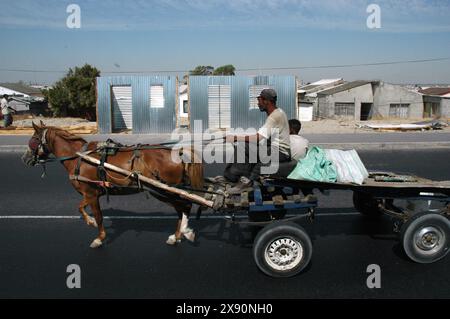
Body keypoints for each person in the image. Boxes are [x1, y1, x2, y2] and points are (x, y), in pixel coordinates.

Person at [222, 88, 291, 194]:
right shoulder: (279, 112)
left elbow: (258, 137)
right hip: (278, 150)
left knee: (242, 146)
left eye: (259, 101)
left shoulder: (274, 117)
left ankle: (241, 181)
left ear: (266, 101)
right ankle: (237, 178)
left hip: (280, 152)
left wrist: (235, 137)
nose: (258, 104)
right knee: (247, 146)